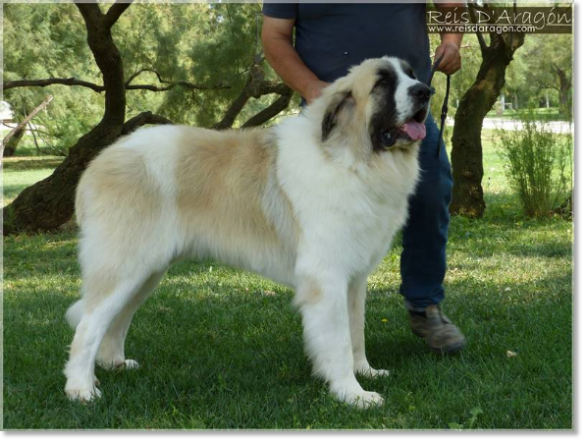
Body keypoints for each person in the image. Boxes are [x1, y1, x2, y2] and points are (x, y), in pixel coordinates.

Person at [262, 2, 466, 354]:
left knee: (432, 193)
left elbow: (453, 6)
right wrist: (312, 88)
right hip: (337, 113)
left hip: (406, 107)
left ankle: (425, 305)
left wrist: (452, 41)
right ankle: (333, 322)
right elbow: (275, 36)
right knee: (331, 231)